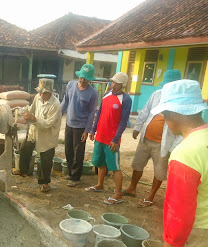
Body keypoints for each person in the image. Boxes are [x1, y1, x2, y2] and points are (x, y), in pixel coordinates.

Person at [152, 79, 208, 247]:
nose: (166, 122)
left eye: (165, 115)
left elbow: (180, 214)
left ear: (173, 114)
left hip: (198, 240)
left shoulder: (185, 153)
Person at [122, 70, 182, 207]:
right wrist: (137, 127)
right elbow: (145, 111)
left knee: (159, 171)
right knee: (138, 164)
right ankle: (132, 187)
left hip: (163, 144)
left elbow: (180, 128)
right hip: (146, 138)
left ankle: (151, 196)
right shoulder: (157, 94)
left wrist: (174, 147)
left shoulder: (179, 102)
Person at [86, 72, 132, 204]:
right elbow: (99, 113)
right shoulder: (106, 94)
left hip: (112, 140)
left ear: (122, 85)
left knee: (114, 167)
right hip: (100, 136)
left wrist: (116, 139)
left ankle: (118, 194)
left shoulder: (126, 99)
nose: (112, 85)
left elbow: (123, 121)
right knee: (100, 163)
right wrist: (93, 130)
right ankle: (100, 185)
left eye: (115, 83)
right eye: (112, 82)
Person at [12, 78, 62, 193]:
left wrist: (33, 118)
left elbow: (48, 124)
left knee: (46, 159)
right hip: (35, 131)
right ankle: (23, 170)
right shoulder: (38, 98)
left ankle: (45, 183)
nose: (40, 94)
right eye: (39, 91)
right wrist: (21, 110)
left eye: (43, 92)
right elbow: (32, 109)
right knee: (25, 149)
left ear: (49, 93)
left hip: (47, 136)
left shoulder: (55, 104)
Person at [60, 64, 98, 187]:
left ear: (89, 79)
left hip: (81, 127)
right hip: (69, 124)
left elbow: (92, 113)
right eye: (81, 77)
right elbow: (65, 101)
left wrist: (87, 130)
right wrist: (57, 116)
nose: (82, 80)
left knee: (78, 153)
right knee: (68, 150)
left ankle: (76, 178)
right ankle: (70, 173)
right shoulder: (71, 85)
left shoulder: (92, 93)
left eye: (85, 78)